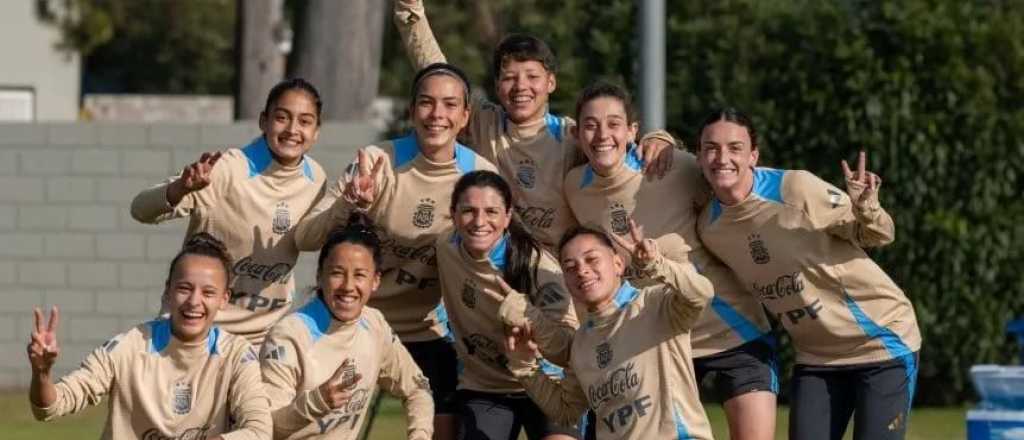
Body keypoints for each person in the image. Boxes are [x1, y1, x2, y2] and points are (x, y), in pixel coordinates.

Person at [563, 82, 777, 440]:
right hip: (656, 346)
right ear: (576, 133)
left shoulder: (673, 166)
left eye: (614, 124)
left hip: (731, 332)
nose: (602, 135)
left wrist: (664, 139)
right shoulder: (574, 186)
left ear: (632, 131)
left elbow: (740, 189)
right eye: (591, 125)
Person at [294, 63, 497, 440]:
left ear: (465, 116)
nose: (437, 114)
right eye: (426, 103)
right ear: (411, 109)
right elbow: (305, 237)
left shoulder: (479, 178)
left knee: (445, 422)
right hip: (353, 325)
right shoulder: (377, 162)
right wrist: (350, 205)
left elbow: (495, 261)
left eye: (450, 105)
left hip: (427, 331)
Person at [693, 108, 921, 440]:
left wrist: (867, 208)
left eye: (735, 148)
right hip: (815, 357)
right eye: (711, 148)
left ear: (754, 155)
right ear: (698, 157)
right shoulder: (710, 228)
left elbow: (879, 235)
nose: (722, 157)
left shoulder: (794, 189)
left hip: (882, 341)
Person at [393, 0, 677, 250]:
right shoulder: (484, 122)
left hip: (560, 272)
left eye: (532, 76)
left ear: (551, 82)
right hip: (497, 261)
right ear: (496, 86)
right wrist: (410, 9)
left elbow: (617, 143)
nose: (521, 87)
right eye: (509, 77)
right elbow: (438, 74)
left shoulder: (572, 135)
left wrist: (660, 138)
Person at [130, 78, 328, 346]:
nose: (293, 129)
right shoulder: (227, 169)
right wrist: (180, 189)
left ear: (316, 132)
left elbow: (312, 239)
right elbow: (140, 209)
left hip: (262, 335)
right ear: (263, 121)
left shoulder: (315, 179)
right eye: (282, 117)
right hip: (198, 324)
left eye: (305, 121)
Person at [27, 233, 271, 439]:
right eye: (184, 289)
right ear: (167, 291)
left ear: (224, 299)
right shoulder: (130, 346)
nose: (194, 302)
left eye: (208, 292)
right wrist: (42, 374)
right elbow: (50, 407)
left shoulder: (237, 355)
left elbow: (259, 430)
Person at [495, 225, 715, 439]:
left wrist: (656, 264)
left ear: (618, 264)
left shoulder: (654, 305)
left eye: (592, 259)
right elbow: (566, 410)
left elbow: (701, 294)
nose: (581, 270)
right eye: (570, 267)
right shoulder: (581, 343)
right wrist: (524, 366)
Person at [260, 215, 434, 440]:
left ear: (375, 281)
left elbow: (417, 388)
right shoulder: (288, 335)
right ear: (320, 276)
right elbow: (267, 427)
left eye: (360, 275)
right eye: (337, 273)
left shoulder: (374, 324)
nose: (348, 286)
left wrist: (419, 434)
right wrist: (318, 401)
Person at [435, 170, 579, 440]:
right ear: (453, 214)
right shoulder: (445, 247)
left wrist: (529, 316)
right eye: (468, 211)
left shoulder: (538, 267)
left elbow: (567, 345)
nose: (479, 221)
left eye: (491, 211)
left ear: (507, 216)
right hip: (485, 385)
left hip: (547, 380)